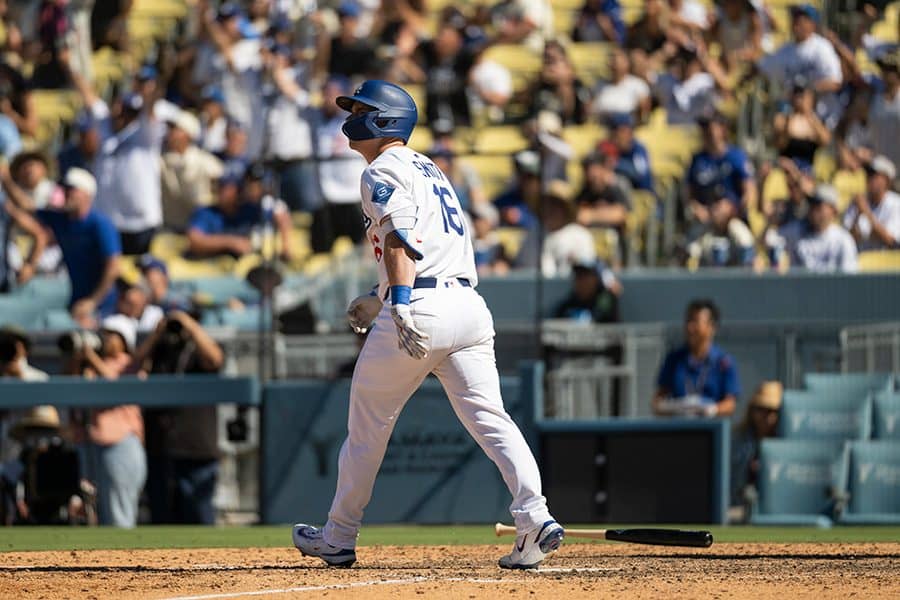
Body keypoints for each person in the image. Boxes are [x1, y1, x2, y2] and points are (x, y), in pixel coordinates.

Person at [292, 80, 563, 570]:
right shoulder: (428, 167)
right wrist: (379, 296)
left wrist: (398, 303)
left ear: (385, 120)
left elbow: (399, 239)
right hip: (468, 307)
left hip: (421, 305)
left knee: (367, 428)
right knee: (492, 420)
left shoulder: (381, 168)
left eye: (360, 110)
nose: (350, 117)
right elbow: (427, 243)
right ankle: (535, 518)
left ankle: (338, 536)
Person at [134, 311, 225, 525]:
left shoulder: (197, 350)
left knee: (198, 515)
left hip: (196, 447)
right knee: (161, 517)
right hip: (160, 445)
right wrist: (156, 334)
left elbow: (215, 360)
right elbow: (133, 365)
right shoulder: (160, 350)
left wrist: (190, 326)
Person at [9, 168, 121, 326]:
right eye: (65, 189)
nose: (66, 193)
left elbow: (113, 267)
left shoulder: (100, 224)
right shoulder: (60, 219)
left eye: (72, 189)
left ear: (87, 194)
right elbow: (25, 206)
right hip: (76, 302)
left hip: (103, 307)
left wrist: (92, 302)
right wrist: (6, 180)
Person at [74, 314, 146, 528]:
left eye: (112, 335)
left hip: (121, 443)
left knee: (119, 513)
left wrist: (92, 358)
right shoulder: (92, 366)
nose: (106, 340)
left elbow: (114, 385)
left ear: (124, 340)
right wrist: (79, 360)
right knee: (99, 512)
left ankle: (124, 551)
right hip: (94, 442)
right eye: (104, 335)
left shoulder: (129, 364)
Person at [653, 299, 739, 418]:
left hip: (712, 427)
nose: (690, 327)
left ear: (712, 327)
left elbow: (730, 403)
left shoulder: (723, 362)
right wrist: (671, 407)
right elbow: (657, 401)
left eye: (696, 322)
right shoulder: (673, 359)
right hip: (680, 426)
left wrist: (713, 409)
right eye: (688, 321)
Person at [514, 179, 597, 277]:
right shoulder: (533, 234)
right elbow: (522, 271)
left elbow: (587, 276)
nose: (549, 210)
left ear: (565, 209)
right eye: (546, 205)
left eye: (555, 205)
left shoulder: (580, 236)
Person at [160, 109, 224, 231]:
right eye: (171, 129)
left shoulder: (207, 163)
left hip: (202, 229)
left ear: (188, 135)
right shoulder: (160, 161)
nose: (171, 133)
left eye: (176, 129)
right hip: (170, 228)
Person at [686, 112, 757, 222]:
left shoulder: (736, 156)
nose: (706, 131)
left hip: (734, 219)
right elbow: (689, 195)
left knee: (740, 233)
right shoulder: (697, 160)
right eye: (703, 127)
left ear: (722, 129)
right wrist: (698, 209)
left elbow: (750, 192)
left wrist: (734, 209)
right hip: (706, 219)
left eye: (709, 126)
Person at [778, 184, 858, 272]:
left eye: (819, 206)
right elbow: (773, 238)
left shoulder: (843, 240)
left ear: (833, 211)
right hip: (800, 281)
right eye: (812, 205)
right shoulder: (795, 230)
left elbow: (849, 277)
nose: (813, 209)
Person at [731, 381, 782, 509]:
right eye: (760, 409)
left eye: (771, 411)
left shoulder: (786, 443)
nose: (765, 416)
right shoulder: (736, 439)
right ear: (752, 410)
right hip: (738, 505)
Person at [844, 155, 900, 251]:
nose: (870, 179)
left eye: (874, 175)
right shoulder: (858, 202)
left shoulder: (896, 203)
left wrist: (867, 213)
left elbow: (891, 242)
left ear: (887, 180)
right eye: (868, 174)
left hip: (886, 258)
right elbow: (848, 240)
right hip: (861, 257)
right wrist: (857, 215)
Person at [554, 260, 621, 323]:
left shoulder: (604, 303)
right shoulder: (566, 306)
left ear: (596, 279)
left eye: (586, 275)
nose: (582, 281)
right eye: (579, 276)